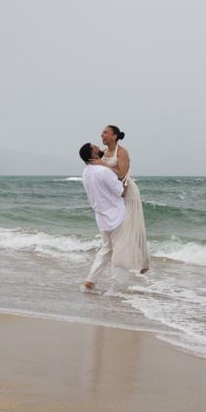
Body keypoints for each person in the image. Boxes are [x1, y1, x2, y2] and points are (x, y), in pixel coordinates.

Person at [88, 125, 151, 274]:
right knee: (121, 229)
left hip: (129, 192)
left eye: (105, 133)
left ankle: (144, 261)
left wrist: (102, 165)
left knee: (135, 226)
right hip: (115, 195)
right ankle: (121, 261)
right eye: (101, 133)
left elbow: (122, 174)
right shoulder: (103, 153)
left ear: (114, 136)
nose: (102, 135)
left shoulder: (122, 152)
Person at [78, 142, 132, 292]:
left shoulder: (86, 172)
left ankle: (91, 280)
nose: (99, 148)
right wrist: (127, 181)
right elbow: (121, 192)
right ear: (93, 154)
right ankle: (117, 288)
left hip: (101, 216)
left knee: (106, 249)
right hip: (116, 215)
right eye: (96, 147)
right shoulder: (103, 171)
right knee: (120, 251)